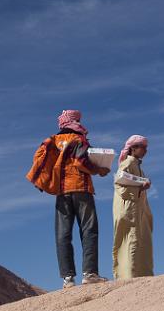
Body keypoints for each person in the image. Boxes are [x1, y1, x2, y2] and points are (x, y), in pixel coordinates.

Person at [52, 109, 111, 289]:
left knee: (63, 234)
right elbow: (80, 162)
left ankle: (67, 278)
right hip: (80, 189)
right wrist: (98, 170)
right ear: (75, 121)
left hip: (61, 192)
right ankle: (90, 273)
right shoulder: (78, 139)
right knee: (88, 230)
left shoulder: (54, 141)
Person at [112, 135, 154, 279]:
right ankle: (129, 275)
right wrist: (140, 188)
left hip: (138, 210)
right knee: (131, 240)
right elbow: (119, 184)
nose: (145, 150)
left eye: (146, 147)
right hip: (128, 210)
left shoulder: (137, 166)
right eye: (143, 147)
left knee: (141, 240)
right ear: (133, 148)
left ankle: (142, 274)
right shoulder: (127, 164)